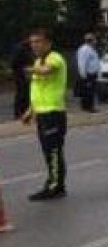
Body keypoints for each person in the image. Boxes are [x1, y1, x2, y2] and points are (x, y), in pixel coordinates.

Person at [21, 28, 69, 201]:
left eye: (38, 41)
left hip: (53, 113)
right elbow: (38, 90)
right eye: (32, 42)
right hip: (42, 113)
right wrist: (30, 111)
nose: (34, 45)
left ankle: (55, 186)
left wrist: (29, 71)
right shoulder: (37, 62)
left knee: (53, 151)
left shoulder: (54, 57)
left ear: (48, 43)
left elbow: (47, 70)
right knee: (48, 151)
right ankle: (54, 183)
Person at [75, 32, 101, 113]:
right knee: (88, 91)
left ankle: (87, 107)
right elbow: (82, 63)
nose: (96, 41)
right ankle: (89, 107)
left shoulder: (91, 49)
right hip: (88, 74)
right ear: (91, 40)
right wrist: (84, 75)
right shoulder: (85, 50)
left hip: (92, 74)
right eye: (94, 40)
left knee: (91, 90)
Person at [9, 38, 33, 120]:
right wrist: (23, 68)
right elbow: (14, 62)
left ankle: (22, 112)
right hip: (21, 74)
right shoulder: (21, 48)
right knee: (22, 93)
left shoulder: (23, 48)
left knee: (24, 93)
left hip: (23, 73)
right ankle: (20, 113)